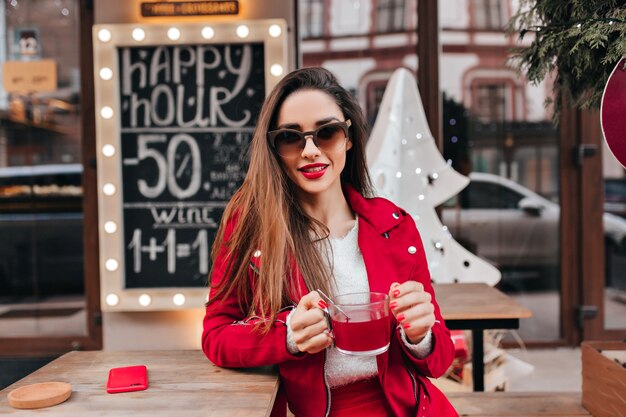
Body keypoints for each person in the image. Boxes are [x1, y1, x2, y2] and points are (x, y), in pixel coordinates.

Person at [202, 67, 458, 417]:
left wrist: (421, 335)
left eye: (327, 133)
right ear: (274, 148)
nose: (310, 151)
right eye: (291, 138)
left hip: (410, 409)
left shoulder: (394, 225)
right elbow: (216, 336)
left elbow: (438, 361)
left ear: (348, 138)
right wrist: (287, 335)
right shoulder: (251, 228)